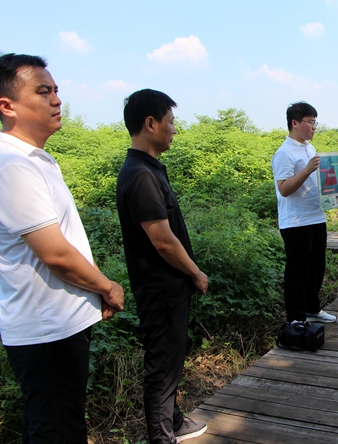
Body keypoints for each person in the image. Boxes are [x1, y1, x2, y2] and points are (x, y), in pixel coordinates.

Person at [0, 53, 124, 443]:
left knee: (59, 421)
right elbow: (54, 253)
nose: (57, 100)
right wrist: (106, 286)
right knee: (56, 428)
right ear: (7, 106)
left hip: (59, 323)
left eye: (56, 90)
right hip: (45, 328)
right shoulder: (12, 165)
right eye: (43, 91)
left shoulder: (37, 159)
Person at [116, 89, 208, 443]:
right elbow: (162, 240)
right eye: (170, 122)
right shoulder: (140, 175)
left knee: (170, 360)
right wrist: (195, 272)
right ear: (151, 124)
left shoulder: (146, 169)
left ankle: (173, 420)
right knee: (163, 366)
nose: (174, 129)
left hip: (167, 287)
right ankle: (161, 436)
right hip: (161, 289)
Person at [271, 102, 337, 325]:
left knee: (316, 269)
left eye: (315, 122)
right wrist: (308, 169)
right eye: (310, 122)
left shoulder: (309, 147)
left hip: (316, 216)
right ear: (295, 123)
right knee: (298, 272)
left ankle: (312, 309)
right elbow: (284, 189)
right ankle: (296, 319)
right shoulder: (284, 153)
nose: (314, 126)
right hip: (296, 221)